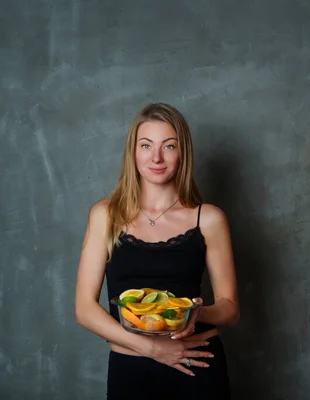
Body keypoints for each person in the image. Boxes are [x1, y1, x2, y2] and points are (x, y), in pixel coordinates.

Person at [74, 103, 240, 399]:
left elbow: (230, 309)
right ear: (133, 152)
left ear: (183, 153)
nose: (156, 157)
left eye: (169, 146)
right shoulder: (105, 215)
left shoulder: (209, 219)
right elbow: (84, 309)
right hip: (132, 370)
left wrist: (198, 311)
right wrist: (152, 349)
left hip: (196, 365)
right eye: (146, 145)